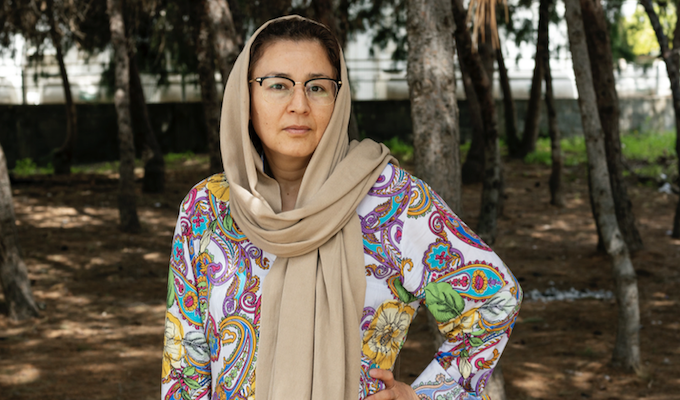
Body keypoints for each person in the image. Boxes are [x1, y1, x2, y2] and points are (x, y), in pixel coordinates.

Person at [161, 15, 520, 400]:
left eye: (316, 87)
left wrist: (425, 395)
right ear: (245, 96)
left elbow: (494, 300)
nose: (299, 105)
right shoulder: (208, 208)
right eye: (278, 85)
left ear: (339, 96)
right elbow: (185, 366)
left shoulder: (391, 199)